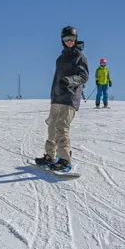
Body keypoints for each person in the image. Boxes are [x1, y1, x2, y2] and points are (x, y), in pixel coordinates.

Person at [34, 25, 89, 172]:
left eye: (72, 39)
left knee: (61, 127)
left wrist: (70, 81)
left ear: (76, 39)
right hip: (57, 97)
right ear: (62, 40)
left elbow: (84, 76)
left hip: (69, 98)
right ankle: (50, 156)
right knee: (52, 127)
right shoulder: (60, 58)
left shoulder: (79, 57)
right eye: (66, 39)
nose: (69, 42)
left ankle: (64, 159)